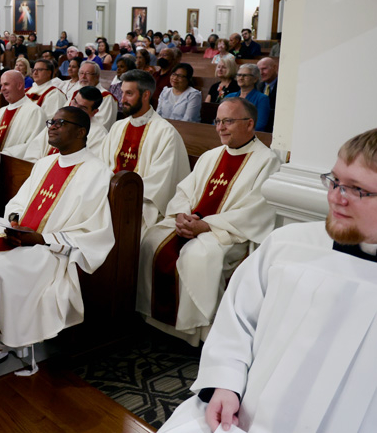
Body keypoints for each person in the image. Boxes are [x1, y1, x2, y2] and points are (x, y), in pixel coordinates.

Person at [157, 128, 377, 433]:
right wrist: (225, 383)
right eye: (335, 181)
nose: (336, 198)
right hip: (240, 416)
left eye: (357, 189)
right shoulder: (288, 244)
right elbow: (237, 319)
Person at [136, 98, 281, 346]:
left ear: (249, 124)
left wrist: (207, 225)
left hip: (228, 232)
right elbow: (185, 191)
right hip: (193, 223)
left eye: (228, 121)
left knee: (198, 257)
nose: (220, 127)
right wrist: (181, 215)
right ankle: (154, 319)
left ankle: (195, 332)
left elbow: (258, 209)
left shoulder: (267, 161)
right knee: (150, 240)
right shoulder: (211, 155)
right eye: (218, 121)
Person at [0, 105, 115, 365]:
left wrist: (43, 239)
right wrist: (14, 220)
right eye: (51, 122)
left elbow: (92, 230)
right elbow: (20, 201)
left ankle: (1, 342)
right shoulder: (44, 163)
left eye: (61, 123)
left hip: (51, 250)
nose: (52, 126)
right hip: (20, 236)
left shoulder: (97, 172)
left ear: (81, 132)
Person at [100, 70, 189, 233]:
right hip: (108, 197)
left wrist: (120, 192)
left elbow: (160, 182)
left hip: (141, 205)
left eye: (129, 94)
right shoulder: (118, 127)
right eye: (122, 93)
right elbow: (102, 166)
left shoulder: (165, 133)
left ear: (146, 95)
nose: (122, 99)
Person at [23, 85, 108, 161]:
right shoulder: (58, 120)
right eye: (75, 102)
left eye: (82, 108)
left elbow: (89, 164)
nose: (74, 108)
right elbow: (35, 148)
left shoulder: (99, 134)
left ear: (94, 112)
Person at [0, 70, 46, 157]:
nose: (2, 89)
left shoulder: (35, 112)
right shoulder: (1, 111)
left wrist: (2, 154)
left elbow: (33, 146)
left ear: (19, 85)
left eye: (6, 84)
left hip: (15, 165)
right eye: (1, 85)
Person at [226, 63, 272, 132]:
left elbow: (259, 125)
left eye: (245, 75)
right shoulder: (229, 97)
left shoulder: (262, 99)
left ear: (255, 79)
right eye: (239, 75)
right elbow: (219, 119)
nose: (241, 78)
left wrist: (235, 130)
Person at [77, 61, 118, 131]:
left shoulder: (106, 97)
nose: (83, 76)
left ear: (97, 76)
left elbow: (102, 126)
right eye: (81, 73)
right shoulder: (77, 93)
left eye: (87, 74)